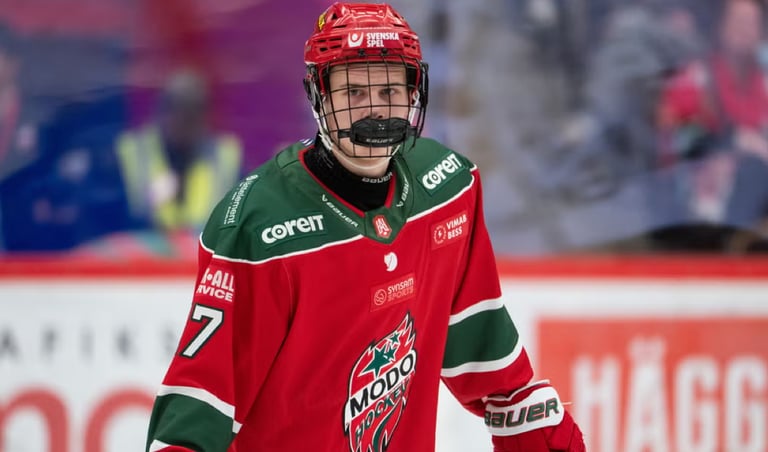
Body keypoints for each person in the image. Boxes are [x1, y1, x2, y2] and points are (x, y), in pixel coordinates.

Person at [145, 3, 585, 451]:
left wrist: (533, 421)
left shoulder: (448, 189)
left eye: (390, 90)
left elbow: (487, 354)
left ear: (414, 93)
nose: (374, 110)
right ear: (319, 96)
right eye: (354, 91)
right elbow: (197, 412)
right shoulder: (259, 228)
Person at [116, 69, 242, 233]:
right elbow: (110, 222)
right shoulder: (131, 152)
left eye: (192, 112)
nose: (183, 121)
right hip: (143, 246)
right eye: (177, 109)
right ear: (161, 111)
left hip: (205, 247)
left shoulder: (225, 156)